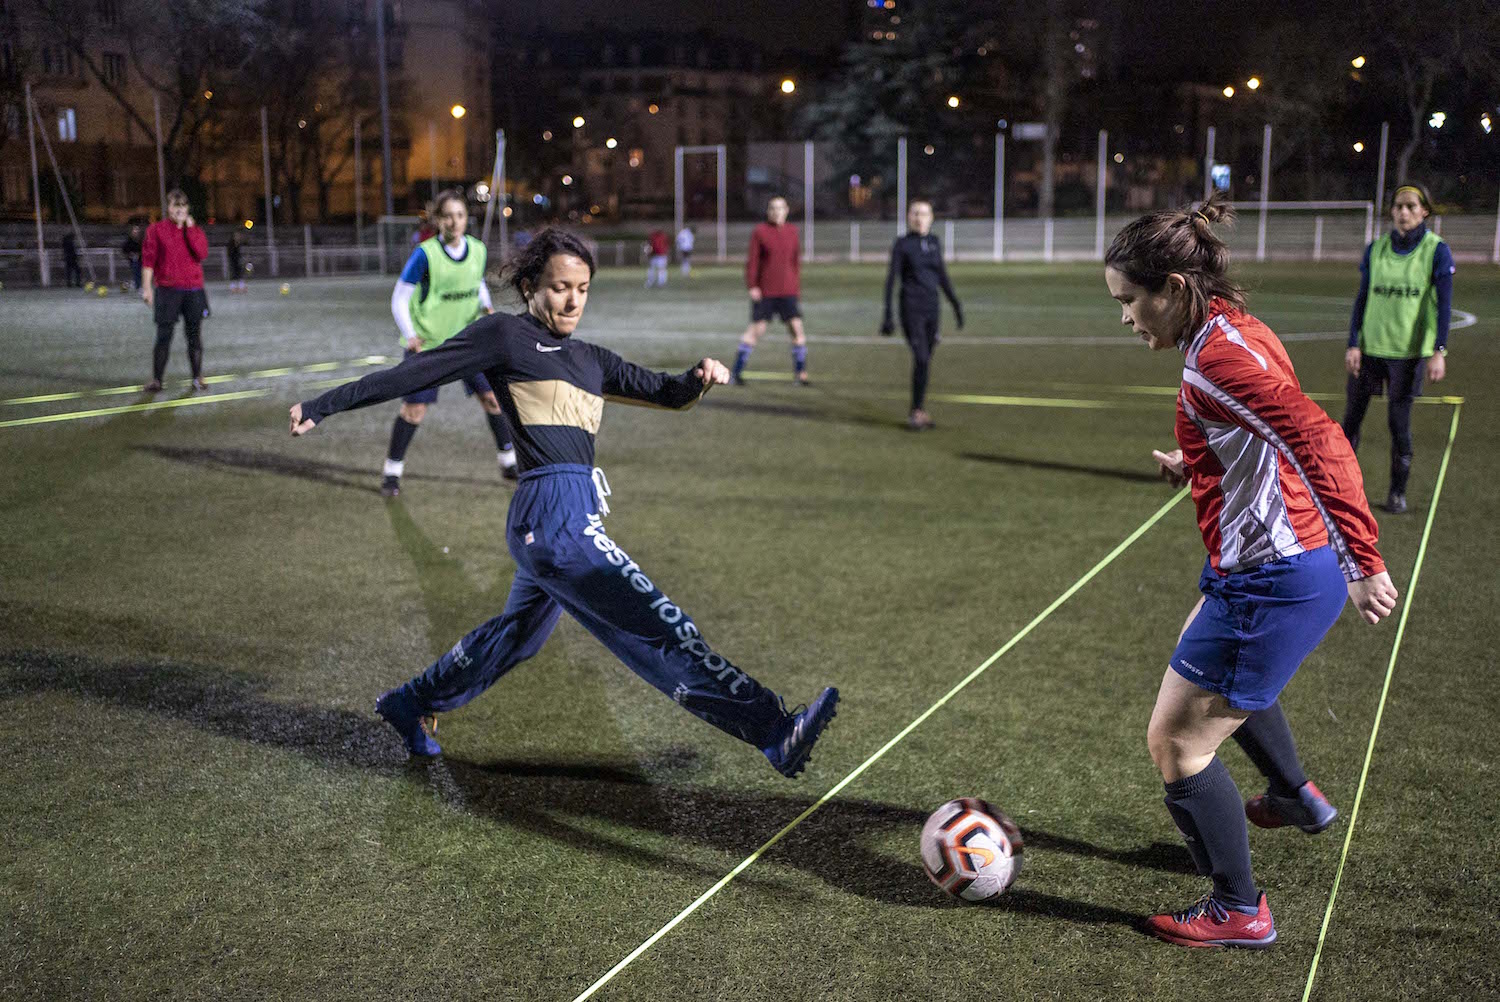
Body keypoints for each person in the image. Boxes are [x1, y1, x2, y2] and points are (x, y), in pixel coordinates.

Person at [287, 228, 839, 777]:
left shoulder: (590, 360)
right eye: (558, 287)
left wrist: (698, 379)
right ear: (530, 287)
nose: (572, 299)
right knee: (656, 620)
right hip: (552, 516)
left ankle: (410, 702)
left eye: (582, 288)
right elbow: (414, 372)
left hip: (571, 515)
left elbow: (665, 392)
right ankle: (773, 730)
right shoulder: (503, 336)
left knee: (517, 637)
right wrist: (323, 405)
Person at [1103, 194, 1398, 949]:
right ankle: (1293, 794)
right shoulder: (1233, 325)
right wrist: (1197, 460)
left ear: (1172, 287)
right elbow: (1262, 437)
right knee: (1210, 677)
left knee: (1176, 742)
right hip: (1281, 562)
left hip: (1276, 576)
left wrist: (1363, 558)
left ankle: (1240, 908)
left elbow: (1320, 440)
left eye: (1130, 300)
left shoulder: (1218, 361)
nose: (1126, 317)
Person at [381, 188, 517, 497]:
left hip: (471, 342)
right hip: (431, 345)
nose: (454, 222)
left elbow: (476, 282)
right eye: (448, 216)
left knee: (493, 400)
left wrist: (486, 306)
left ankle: (508, 461)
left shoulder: (478, 249)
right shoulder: (425, 254)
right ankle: (392, 472)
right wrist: (410, 333)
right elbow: (399, 298)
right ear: (438, 220)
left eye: (460, 215)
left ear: (467, 218)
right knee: (414, 411)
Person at [1341, 182, 1455, 515]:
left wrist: (1438, 351)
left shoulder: (1436, 250)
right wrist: (1353, 343)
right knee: (1350, 422)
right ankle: (1343, 492)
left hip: (1407, 357)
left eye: (1410, 206)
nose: (1403, 212)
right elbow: (1361, 299)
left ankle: (1396, 493)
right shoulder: (1375, 249)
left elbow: (1445, 305)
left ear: (1424, 212)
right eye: (1397, 206)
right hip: (1370, 351)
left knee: (1398, 423)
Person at [881, 200, 964, 430]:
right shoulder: (902, 244)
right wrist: (888, 315)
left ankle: (918, 409)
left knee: (926, 361)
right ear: (909, 217)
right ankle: (915, 413)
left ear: (931, 217)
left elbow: (942, 276)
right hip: (911, 308)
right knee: (922, 358)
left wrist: (956, 305)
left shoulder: (934, 242)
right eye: (915, 213)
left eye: (924, 213)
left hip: (932, 309)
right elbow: (891, 280)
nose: (919, 217)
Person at [731, 196, 808, 385]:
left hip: (788, 291)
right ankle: (736, 373)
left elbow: (795, 263)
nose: (776, 211)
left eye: (780, 208)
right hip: (765, 291)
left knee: (797, 329)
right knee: (756, 330)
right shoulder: (760, 232)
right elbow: (752, 262)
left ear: (787, 210)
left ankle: (800, 375)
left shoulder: (792, 231)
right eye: (773, 208)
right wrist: (752, 286)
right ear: (768, 211)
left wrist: (796, 289)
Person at [141, 189, 210, 393]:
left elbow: (202, 253)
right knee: (164, 336)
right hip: (167, 291)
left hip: (194, 290)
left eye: (183, 206)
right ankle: (157, 380)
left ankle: (197, 378)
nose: (179, 210)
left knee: (194, 336)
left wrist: (190, 230)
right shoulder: (156, 230)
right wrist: (146, 289)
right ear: (168, 208)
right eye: (175, 206)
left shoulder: (195, 230)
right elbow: (148, 261)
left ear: (187, 208)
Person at [122, 223, 143, 291]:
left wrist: (140, 254)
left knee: (140, 272)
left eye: (137, 230)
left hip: (141, 259)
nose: (136, 232)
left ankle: (134, 284)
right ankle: (137, 286)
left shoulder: (141, 240)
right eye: (134, 230)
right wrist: (130, 255)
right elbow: (124, 249)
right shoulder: (129, 241)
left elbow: (144, 249)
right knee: (136, 270)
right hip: (133, 260)